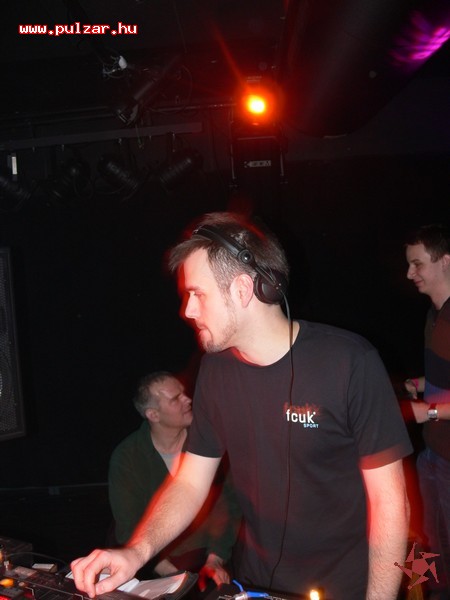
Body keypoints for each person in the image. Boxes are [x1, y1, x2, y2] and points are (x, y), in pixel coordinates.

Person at [71, 212, 412, 600]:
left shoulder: (349, 362)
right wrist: (136, 551)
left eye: (197, 294)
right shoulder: (215, 370)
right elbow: (189, 482)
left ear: (243, 289)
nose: (188, 310)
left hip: (347, 586)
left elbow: (390, 504)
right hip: (255, 584)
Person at [107, 371, 240, 589]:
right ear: (153, 414)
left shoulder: (209, 442)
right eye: (176, 398)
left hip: (210, 555)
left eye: (184, 393)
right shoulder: (127, 457)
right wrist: (174, 576)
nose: (188, 399)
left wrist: (215, 559)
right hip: (156, 562)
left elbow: (230, 504)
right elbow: (128, 526)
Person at [403, 224, 450, 599]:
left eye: (417, 264)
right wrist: (420, 383)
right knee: (428, 544)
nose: (409, 274)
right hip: (432, 452)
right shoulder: (435, 315)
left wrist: (429, 411)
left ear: (445, 261)